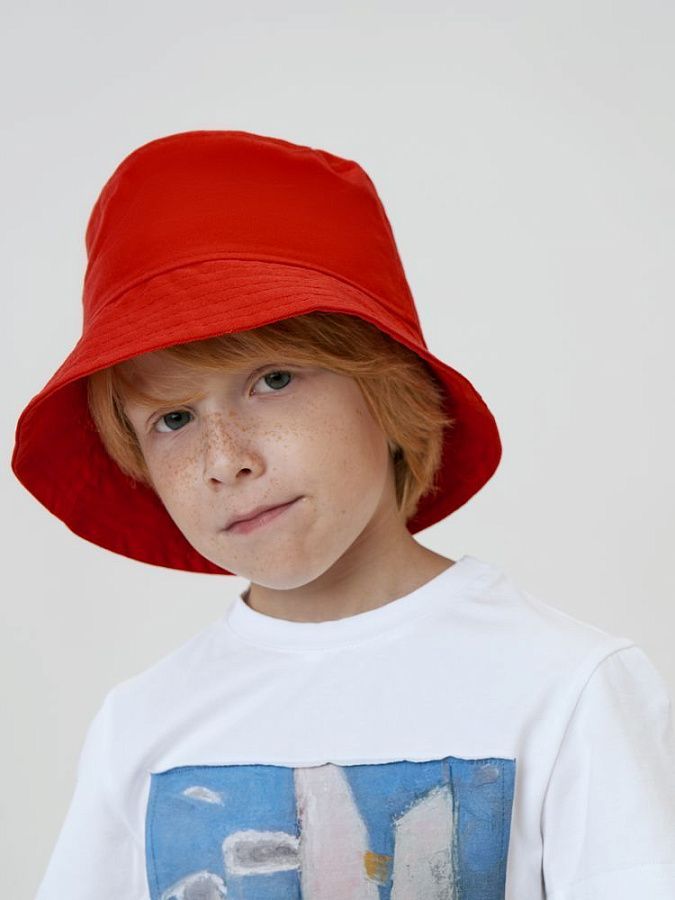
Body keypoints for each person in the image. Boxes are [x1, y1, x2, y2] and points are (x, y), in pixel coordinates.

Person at [11, 130, 675, 899]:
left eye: (273, 379)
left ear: (385, 387)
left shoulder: (565, 686)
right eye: (174, 419)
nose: (225, 459)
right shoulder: (141, 727)